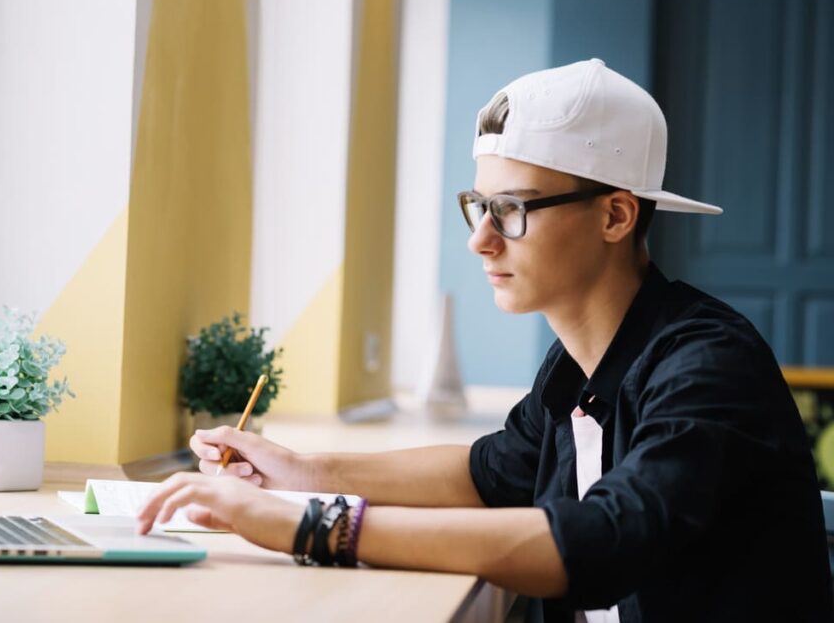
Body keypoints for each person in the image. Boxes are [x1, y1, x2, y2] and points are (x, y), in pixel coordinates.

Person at [137, 59, 832, 622]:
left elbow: (607, 540)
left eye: (513, 210)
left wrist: (313, 527)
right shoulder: (578, 365)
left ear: (616, 215)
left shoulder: (707, 364)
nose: (479, 239)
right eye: (480, 206)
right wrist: (301, 472)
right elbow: (489, 474)